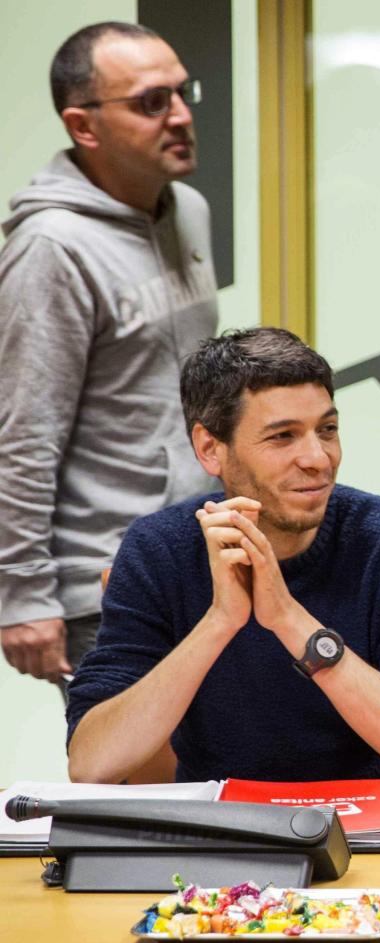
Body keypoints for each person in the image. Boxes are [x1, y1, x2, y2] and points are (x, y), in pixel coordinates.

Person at [66, 328, 380, 787]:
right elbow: (91, 762)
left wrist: (287, 618)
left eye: (327, 430)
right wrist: (220, 621)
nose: (318, 458)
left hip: (377, 834)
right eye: (283, 437)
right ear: (210, 449)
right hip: (222, 837)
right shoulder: (159, 549)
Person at [0, 22, 217, 695]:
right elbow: (22, 436)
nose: (180, 116)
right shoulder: (51, 249)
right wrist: (24, 596)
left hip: (200, 561)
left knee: (218, 783)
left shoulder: (188, 210)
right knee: (135, 796)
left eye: (183, 94)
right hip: (107, 587)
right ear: (83, 126)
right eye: (152, 102)